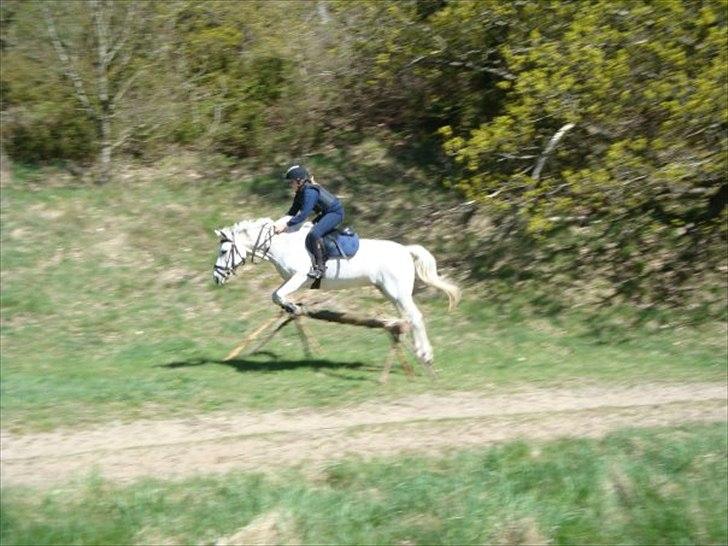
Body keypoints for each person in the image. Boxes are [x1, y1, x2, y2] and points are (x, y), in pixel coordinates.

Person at [273, 165, 344, 279]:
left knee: (314, 234)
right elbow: (292, 212)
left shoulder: (309, 192)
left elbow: (304, 214)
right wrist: (278, 224)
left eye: (291, 182)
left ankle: (320, 269)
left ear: (299, 181)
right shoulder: (300, 192)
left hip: (335, 213)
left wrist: (286, 226)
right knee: (307, 231)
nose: (290, 185)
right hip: (325, 213)